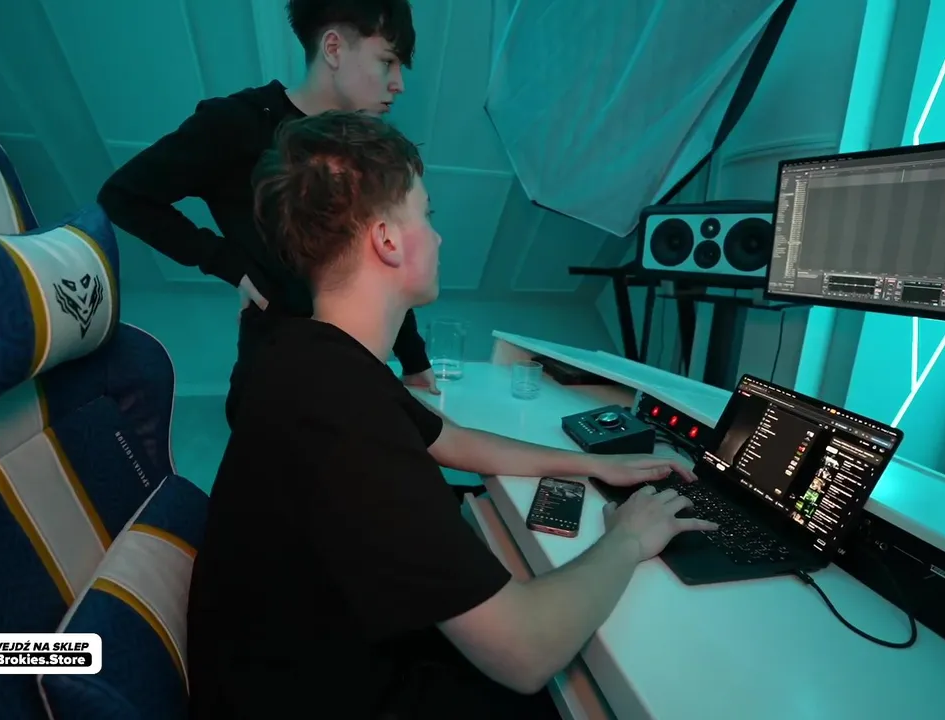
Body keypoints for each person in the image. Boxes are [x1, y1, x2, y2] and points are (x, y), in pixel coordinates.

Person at [186, 112, 720, 719]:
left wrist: (596, 465)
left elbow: (451, 440)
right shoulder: (337, 404)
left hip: (302, 665)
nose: (438, 238)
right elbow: (525, 651)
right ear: (387, 240)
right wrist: (628, 537)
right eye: (427, 215)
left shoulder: (311, 355)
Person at [97, 0, 438, 431]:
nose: (399, 84)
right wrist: (228, 263)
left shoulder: (366, 143)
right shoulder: (237, 123)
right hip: (276, 376)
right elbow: (124, 196)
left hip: (356, 369)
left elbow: (382, 259)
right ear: (334, 48)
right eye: (387, 62)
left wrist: (414, 360)